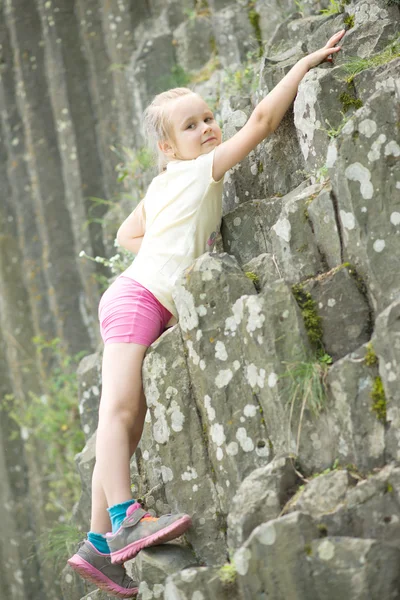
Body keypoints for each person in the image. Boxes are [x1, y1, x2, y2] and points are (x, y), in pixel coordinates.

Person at [67, 29, 345, 598]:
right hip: (138, 297)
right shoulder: (198, 171)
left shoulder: (168, 180)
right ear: (170, 147)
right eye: (191, 126)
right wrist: (305, 64)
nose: (208, 128)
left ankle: (97, 546)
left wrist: (173, 231)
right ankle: (124, 521)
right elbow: (265, 121)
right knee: (118, 414)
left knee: (128, 421)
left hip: (137, 295)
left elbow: (126, 232)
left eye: (209, 117)